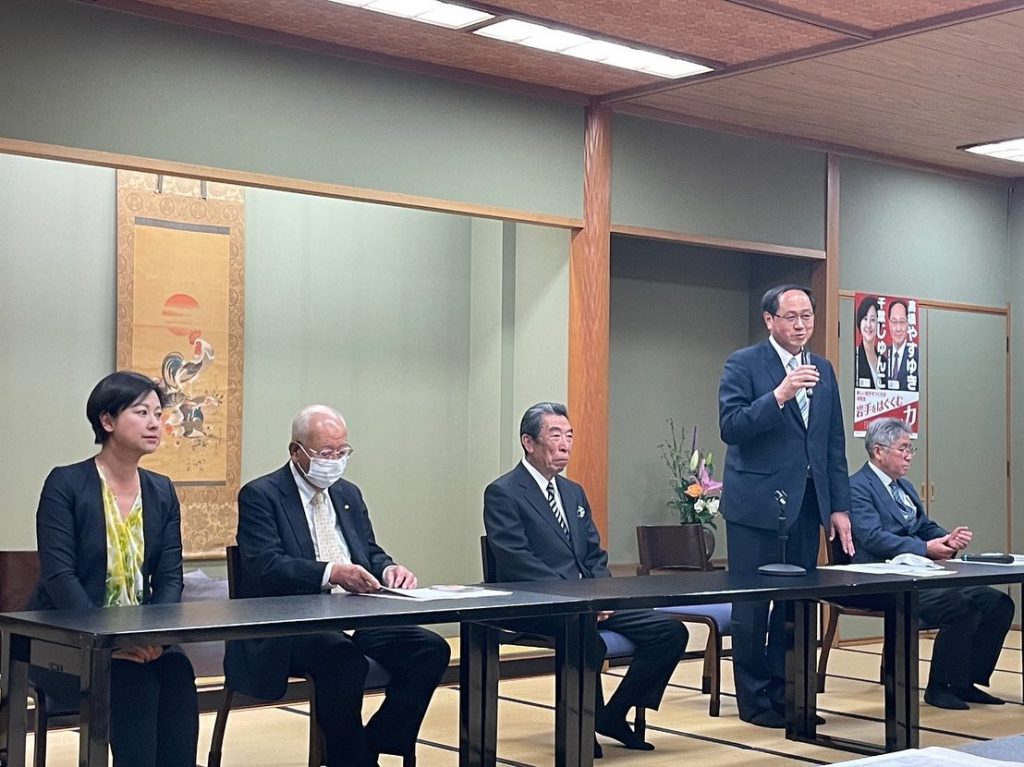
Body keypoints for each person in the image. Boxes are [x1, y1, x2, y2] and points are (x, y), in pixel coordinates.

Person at [224, 405, 450, 767]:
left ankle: (373, 743)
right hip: (294, 626)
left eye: (342, 452)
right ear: (296, 451)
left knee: (431, 649)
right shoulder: (262, 495)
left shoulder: (348, 494)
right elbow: (265, 566)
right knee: (342, 660)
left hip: (356, 617)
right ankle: (350, 761)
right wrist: (331, 573)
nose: (335, 461)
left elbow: (368, 551)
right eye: (325, 453)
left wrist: (389, 569)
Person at [484, 402, 687, 756]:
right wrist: (577, 599)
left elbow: (593, 552)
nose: (565, 444)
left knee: (669, 632)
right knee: (586, 639)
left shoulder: (573, 491)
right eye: (555, 435)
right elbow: (517, 562)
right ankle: (580, 726)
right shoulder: (503, 492)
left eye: (569, 435)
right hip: (537, 603)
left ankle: (613, 714)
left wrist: (602, 594)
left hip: (589, 601)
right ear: (528, 442)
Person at [28, 370, 199, 767]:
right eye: (141, 412)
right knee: (134, 683)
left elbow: (170, 577)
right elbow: (59, 576)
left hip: (142, 638)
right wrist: (107, 642)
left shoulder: (161, 489)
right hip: (71, 642)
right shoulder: (66, 484)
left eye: (158, 413)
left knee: (176, 672)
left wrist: (157, 637)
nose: (155, 423)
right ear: (107, 421)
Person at [718, 284, 853, 728]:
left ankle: (788, 695)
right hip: (756, 506)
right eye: (791, 317)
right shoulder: (743, 363)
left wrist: (838, 506)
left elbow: (832, 443)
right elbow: (731, 426)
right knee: (753, 607)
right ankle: (755, 702)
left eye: (807, 316)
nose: (800, 325)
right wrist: (779, 395)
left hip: (807, 505)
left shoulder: (823, 368)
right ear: (769, 320)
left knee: (796, 606)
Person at [848, 418, 1013, 710]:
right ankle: (940, 686)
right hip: (881, 577)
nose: (909, 455)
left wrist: (947, 539)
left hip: (920, 572)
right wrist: (925, 549)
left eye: (910, 449)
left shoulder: (905, 487)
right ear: (878, 451)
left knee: (997, 603)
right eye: (902, 449)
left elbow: (924, 526)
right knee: (959, 607)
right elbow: (872, 537)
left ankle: (965, 682)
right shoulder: (858, 487)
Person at [886, 299, 919, 391]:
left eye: (902, 322)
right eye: (894, 322)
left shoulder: (916, 356)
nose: (898, 328)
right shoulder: (881, 354)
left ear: (908, 323)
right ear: (889, 323)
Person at [855, 295, 884, 388]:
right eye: (865, 319)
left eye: (872, 320)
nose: (868, 325)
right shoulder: (855, 357)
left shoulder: (884, 361)